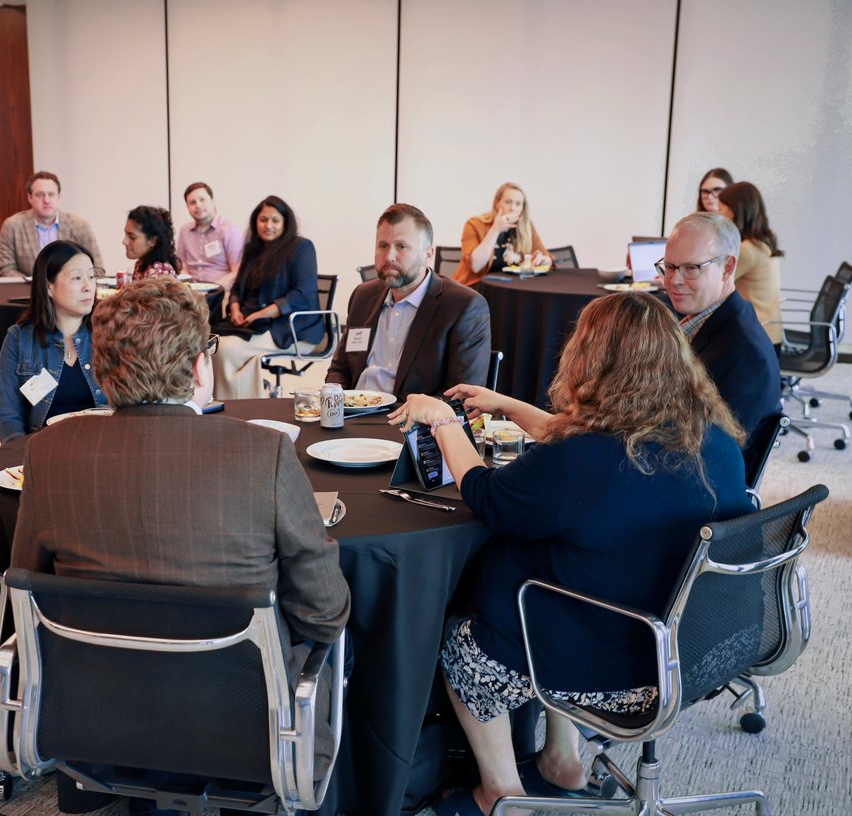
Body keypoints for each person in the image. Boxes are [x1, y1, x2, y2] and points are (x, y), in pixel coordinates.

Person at [387, 292, 752, 816]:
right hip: (684, 647)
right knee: (578, 569)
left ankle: (500, 793)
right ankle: (563, 759)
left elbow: (490, 495)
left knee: (463, 646)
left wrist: (443, 421)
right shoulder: (710, 438)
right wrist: (509, 406)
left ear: (592, 358)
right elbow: (591, 455)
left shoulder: (581, 461)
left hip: (609, 660)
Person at [12, 276, 350, 812]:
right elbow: (324, 614)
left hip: (96, 715)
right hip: (240, 724)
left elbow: (28, 593)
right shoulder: (265, 453)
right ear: (198, 366)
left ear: (102, 371)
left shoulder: (48, 453)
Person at [326, 203, 491, 400]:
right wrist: (335, 405)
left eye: (401, 246)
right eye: (383, 246)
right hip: (352, 416)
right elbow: (340, 369)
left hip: (412, 424)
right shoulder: (363, 296)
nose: (389, 257)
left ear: (427, 255)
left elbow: (461, 397)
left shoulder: (464, 307)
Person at [660, 212, 782, 459]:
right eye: (670, 267)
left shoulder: (745, 355)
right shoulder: (703, 318)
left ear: (728, 268)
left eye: (691, 268)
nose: (673, 280)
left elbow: (711, 454)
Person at [0, 240, 109, 442]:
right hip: (43, 450)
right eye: (77, 278)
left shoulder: (110, 333)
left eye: (91, 276)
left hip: (101, 445)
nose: (88, 287)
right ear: (48, 287)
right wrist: (20, 454)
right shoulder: (20, 339)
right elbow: (6, 412)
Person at [213, 195, 322, 400]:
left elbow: (303, 294)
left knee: (225, 350)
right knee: (210, 343)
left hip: (287, 327)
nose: (268, 225)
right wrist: (235, 308)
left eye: (275, 220)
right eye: (263, 220)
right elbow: (237, 287)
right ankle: (232, 404)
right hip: (250, 322)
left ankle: (238, 409)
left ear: (285, 222)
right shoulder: (253, 249)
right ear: (256, 221)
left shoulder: (302, 248)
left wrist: (261, 314)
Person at [0, 171, 103, 276]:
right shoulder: (12, 226)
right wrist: (36, 285)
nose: (46, 200)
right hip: (27, 292)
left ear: (58, 196)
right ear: (30, 197)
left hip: (71, 292)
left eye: (51, 194)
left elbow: (97, 269)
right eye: (40, 194)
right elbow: (5, 268)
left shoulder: (80, 226)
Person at [717, 181, 784, 348]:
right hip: (771, 332)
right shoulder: (764, 242)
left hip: (757, 335)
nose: (718, 214)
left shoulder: (748, 250)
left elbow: (715, 283)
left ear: (734, 211)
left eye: (721, 209)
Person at [454, 183, 552, 287]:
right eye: (508, 202)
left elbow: (547, 257)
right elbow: (475, 266)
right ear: (497, 203)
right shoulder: (474, 224)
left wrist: (544, 260)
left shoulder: (526, 227)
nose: (513, 208)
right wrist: (495, 229)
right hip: (477, 288)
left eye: (518, 204)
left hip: (513, 287)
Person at [175, 181, 245, 289]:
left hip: (221, 293)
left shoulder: (230, 230)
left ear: (213, 201)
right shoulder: (184, 231)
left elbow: (237, 272)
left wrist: (210, 289)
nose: (198, 205)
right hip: (192, 295)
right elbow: (182, 267)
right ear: (188, 207)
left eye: (202, 200)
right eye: (192, 202)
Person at [122, 205, 180, 280]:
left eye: (132, 237)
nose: (124, 241)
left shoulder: (159, 273)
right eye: (126, 234)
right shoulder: (141, 263)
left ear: (152, 240)